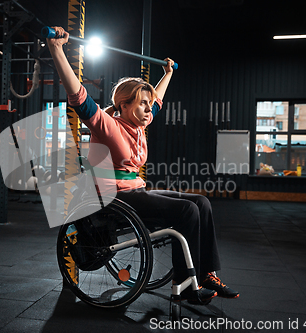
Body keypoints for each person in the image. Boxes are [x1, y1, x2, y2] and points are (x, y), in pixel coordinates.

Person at [47, 26, 239, 304]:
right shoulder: (107, 123)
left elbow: (157, 100)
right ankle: (184, 283)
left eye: (149, 105)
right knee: (186, 211)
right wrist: (56, 49)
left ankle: (206, 274)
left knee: (201, 202)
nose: (149, 110)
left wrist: (168, 74)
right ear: (123, 105)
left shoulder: (138, 125)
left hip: (135, 192)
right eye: (142, 105)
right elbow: (77, 94)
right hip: (112, 197)